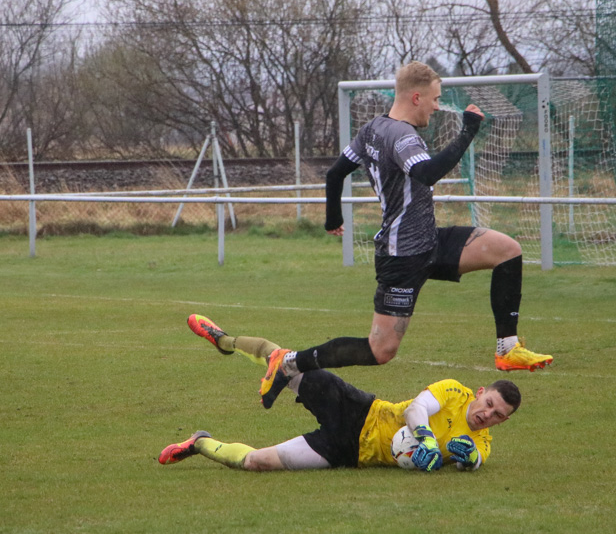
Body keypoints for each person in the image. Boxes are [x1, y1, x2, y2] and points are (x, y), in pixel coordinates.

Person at [259, 62, 552, 405]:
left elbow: (335, 173)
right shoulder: (402, 136)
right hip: (402, 256)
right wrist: (467, 132)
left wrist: (332, 218)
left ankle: (508, 348)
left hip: (430, 240)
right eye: (435, 99)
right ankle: (290, 362)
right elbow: (426, 173)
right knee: (380, 350)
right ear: (416, 97)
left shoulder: (371, 129)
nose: (437, 106)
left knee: (508, 249)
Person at [160, 315, 522, 473]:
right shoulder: (456, 393)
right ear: (480, 393)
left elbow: (473, 460)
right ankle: (224, 340)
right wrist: (426, 439)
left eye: (497, 416)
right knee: (286, 362)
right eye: (489, 404)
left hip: (347, 453)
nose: (487, 415)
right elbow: (416, 409)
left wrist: (467, 461)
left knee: (257, 463)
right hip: (359, 410)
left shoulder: (482, 443)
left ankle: (199, 443)